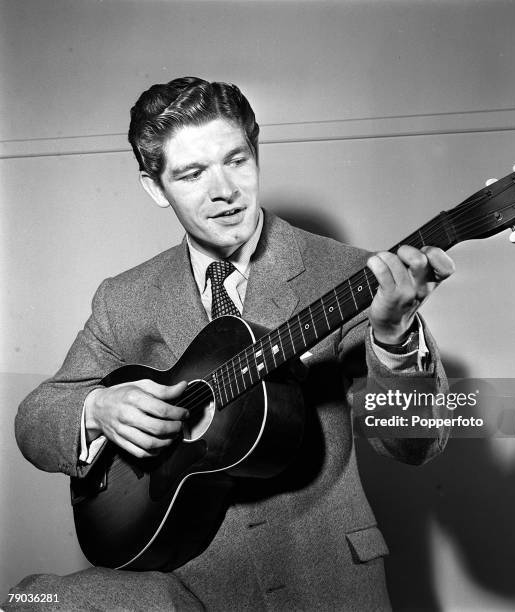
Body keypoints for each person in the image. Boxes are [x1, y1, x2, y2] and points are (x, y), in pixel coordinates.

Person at [7, 77, 455, 611]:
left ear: (256, 152)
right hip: (178, 581)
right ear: (155, 187)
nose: (224, 191)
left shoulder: (348, 274)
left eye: (236, 160)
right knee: (34, 601)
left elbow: (417, 445)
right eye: (193, 174)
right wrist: (98, 407)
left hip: (323, 584)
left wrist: (396, 337)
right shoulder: (123, 298)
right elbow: (36, 418)